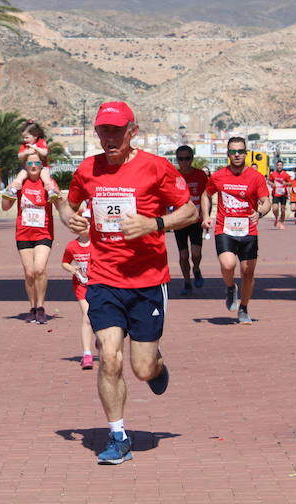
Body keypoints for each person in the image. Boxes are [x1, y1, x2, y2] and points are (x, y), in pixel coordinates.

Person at [60, 101, 196, 465]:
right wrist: (68, 219)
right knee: (109, 358)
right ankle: (117, 435)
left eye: (117, 130)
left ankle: (156, 366)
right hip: (103, 278)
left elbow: (190, 211)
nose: (110, 137)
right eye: (104, 130)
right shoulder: (88, 170)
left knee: (142, 368)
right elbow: (68, 205)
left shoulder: (156, 167)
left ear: (132, 131)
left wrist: (155, 225)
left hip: (148, 281)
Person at [200, 137, 271, 325]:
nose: (237, 155)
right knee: (227, 264)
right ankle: (230, 287)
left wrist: (261, 213)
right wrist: (206, 215)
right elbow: (206, 194)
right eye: (233, 152)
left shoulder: (256, 177)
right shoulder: (218, 176)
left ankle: (244, 307)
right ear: (228, 154)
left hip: (249, 230)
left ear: (246, 153)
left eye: (240, 151)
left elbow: (266, 201)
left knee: (248, 273)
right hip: (225, 228)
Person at [1, 150, 64, 324]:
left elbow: (60, 205)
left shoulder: (48, 183)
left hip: (44, 232)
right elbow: (5, 206)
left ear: (42, 166)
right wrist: (12, 187)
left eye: (37, 163)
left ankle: (42, 307)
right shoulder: (21, 184)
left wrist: (52, 188)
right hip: (23, 233)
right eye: (30, 163)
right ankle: (33, 307)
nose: (34, 166)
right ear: (25, 167)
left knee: (39, 269)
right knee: (29, 273)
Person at [61, 208, 96, 370]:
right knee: (87, 316)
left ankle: (101, 341)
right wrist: (72, 270)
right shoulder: (72, 246)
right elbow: (65, 262)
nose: (86, 225)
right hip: (81, 286)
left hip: (98, 285)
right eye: (83, 222)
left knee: (98, 317)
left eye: (89, 222)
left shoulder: (98, 244)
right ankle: (87, 354)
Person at [173, 145, 208, 296]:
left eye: (187, 158)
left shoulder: (200, 175)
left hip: (196, 220)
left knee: (196, 254)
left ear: (191, 159)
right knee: (183, 255)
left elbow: (206, 197)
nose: (184, 162)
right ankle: (187, 282)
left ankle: (197, 268)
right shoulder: (173, 176)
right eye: (181, 159)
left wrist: (206, 216)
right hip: (180, 221)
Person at [6, 121, 56, 197]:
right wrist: (26, 152)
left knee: (46, 178)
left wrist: (35, 148)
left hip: (42, 168)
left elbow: (45, 152)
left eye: (26, 137)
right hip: (27, 169)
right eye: (23, 138)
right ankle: (13, 191)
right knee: (20, 176)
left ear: (35, 136)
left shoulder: (41, 142)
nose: (24, 140)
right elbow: (19, 156)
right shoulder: (24, 146)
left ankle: (51, 192)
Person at [267, 160, 291, 230]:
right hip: (276, 193)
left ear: (282, 166)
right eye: (278, 165)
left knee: (283, 210)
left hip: (283, 194)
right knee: (275, 208)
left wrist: (285, 183)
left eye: (280, 165)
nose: (279, 166)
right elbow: (269, 181)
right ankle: (276, 218)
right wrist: (272, 184)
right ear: (276, 166)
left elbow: (291, 183)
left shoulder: (286, 174)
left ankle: (281, 222)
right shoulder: (273, 174)